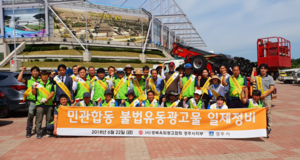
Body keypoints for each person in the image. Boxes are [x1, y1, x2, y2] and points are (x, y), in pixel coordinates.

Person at [250, 63, 274, 135]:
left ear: (266, 70)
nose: (263, 70)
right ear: (259, 69)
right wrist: (252, 72)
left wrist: (265, 95)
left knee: (267, 113)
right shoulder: (257, 77)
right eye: (261, 68)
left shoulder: (270, 78)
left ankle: (268, 127)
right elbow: (251, 81)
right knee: (258, 113)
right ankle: (259, 126)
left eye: (264, 68)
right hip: (258, 98)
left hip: (267, 98)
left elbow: (272, 88)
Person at [18, 66, 41, 138]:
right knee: (30, 117)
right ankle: (28, 131)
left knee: (39, 117)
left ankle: (38, 131)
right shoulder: (28, 80)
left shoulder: (41, 81)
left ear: (39, 72)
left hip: (39, 102)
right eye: (34, 71)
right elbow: (19, 79)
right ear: (31, 73)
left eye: (37, 71)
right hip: (31, 102)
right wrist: (22, 71)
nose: (35, 72)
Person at [32, 70, 55, 139]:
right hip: (40, 104)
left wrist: (46, 99)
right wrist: (33, 87)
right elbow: (34, 93)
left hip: (49, 104)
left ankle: (48, 132)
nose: (44, 77)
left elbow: (52, 93)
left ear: (48, 76)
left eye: (46, 75)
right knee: (39, 119)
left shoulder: (51, 84)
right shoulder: (37, 84)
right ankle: (39, 132)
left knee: (49, 119)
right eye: (43, 75)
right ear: (40, 77)